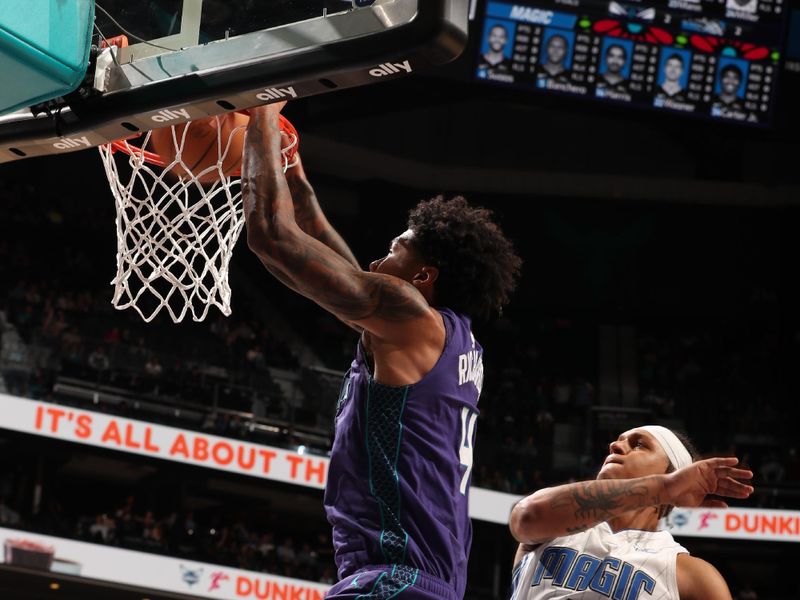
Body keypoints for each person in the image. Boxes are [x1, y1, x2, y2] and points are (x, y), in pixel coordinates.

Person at [242, 102, 522, 599]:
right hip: (414, 579)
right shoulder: (436, 335)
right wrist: (290, 162)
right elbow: (325, 252)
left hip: (399, 576)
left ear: (422, 277)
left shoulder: (409, 318)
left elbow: (271, 235)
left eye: (394, 250)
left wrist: (262, 108)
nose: (376, 258)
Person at [508, 425, 754, 599]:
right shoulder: (556, 528)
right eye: (618, 440)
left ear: (673, 472)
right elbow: (527, 516)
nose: (614, 445)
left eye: (638, 444)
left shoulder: (692, 575)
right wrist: (666, 488)